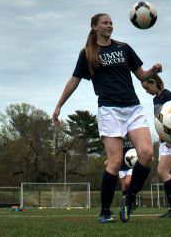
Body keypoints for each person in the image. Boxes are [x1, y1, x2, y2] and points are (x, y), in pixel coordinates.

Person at [53, 13, 162, 223]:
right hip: (109, 110)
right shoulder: (87, 54)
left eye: (111, 22)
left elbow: (141, 75)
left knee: (147, 154)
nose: (109, 26)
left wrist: (153, 71)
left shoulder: (124, 48)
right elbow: (74, 81)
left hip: (133, 108)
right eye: (105, 23)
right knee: (115, 161)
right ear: (94, 26)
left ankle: (129, 199)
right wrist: (59, 105)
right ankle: (104, 211)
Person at [141, 76, 171, 218]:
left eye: (147, 88)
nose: (147, 91)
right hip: (164, 141)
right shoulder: (156, 99)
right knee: (163, 172)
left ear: (154, 83)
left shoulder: (167, 95)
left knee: (163, 171)